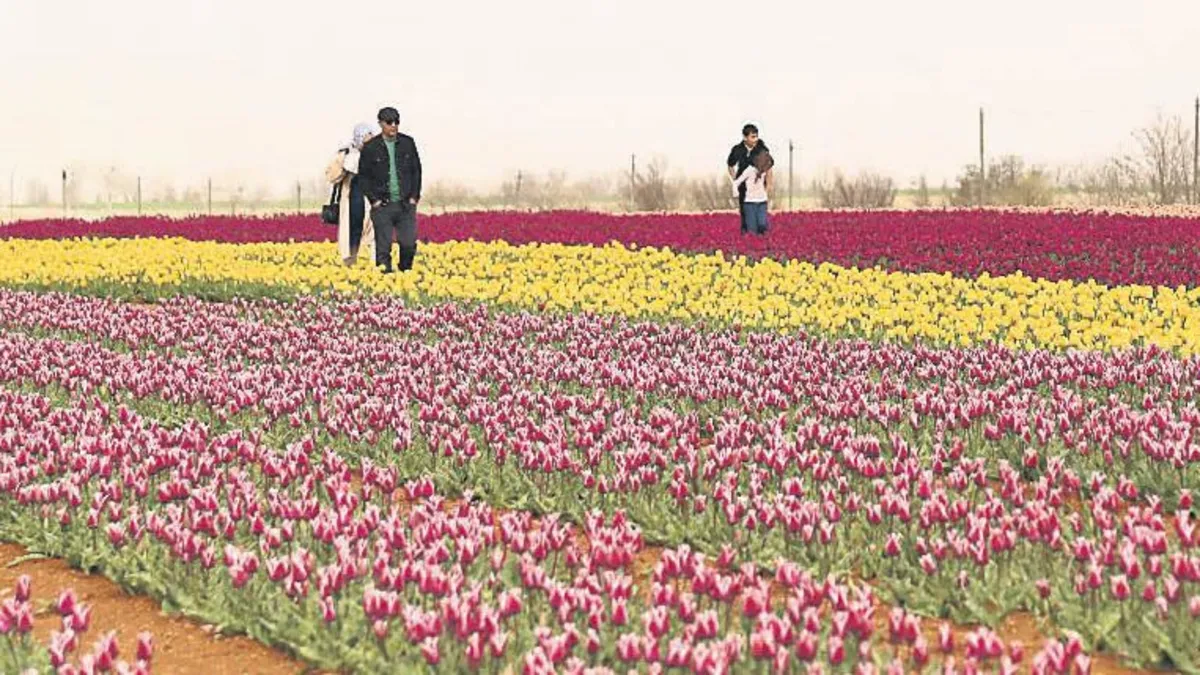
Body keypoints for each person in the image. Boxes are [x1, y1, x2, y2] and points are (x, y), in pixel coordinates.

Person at [359, 107, 423, 273]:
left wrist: (414, 197)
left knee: (409, 244)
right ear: (380, 124)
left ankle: (405, 274)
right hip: (383, 207)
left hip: (405, 205)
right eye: (389, 122)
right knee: (383, 248)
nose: (393, 126)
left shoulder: (408, 143)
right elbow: (363, 177)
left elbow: (416, 170)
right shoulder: (371, 148)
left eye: (396, 122)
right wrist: (374, 201)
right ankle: (385, 282)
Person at [324, 123, 376, 266]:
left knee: (372, 236)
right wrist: (343, 166)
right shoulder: (346, 153)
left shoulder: (378, 153)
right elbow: (331, 176)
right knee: (352, 235)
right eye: (365, 140)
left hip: (371, 202)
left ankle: (370, 266)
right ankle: (351, 264)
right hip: (352, 200)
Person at [726, 124, 771, 234]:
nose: (755, 139)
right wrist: (736, 180)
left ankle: (761, 237)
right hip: (744, 187)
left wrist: (768, 185)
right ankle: (747, 236)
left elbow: (769, 168)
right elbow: (730, 165)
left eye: (756, 136)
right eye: (752, 137)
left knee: (762, 220)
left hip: (759, 187)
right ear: (745, 137)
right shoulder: (737, 149)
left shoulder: (762, 149)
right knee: (745, 214)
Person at [731, 150, 774, 235]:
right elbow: (736, 182)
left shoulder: (763, 172)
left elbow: (768, 183)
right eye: (767, 165)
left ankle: (763, 241)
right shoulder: (749, 170)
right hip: (750, 203)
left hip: (762, 202)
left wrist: (767, 192)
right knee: (752, 230)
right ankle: (755, 245)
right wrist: (736, 193)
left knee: (762, 224)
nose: (767, 169)